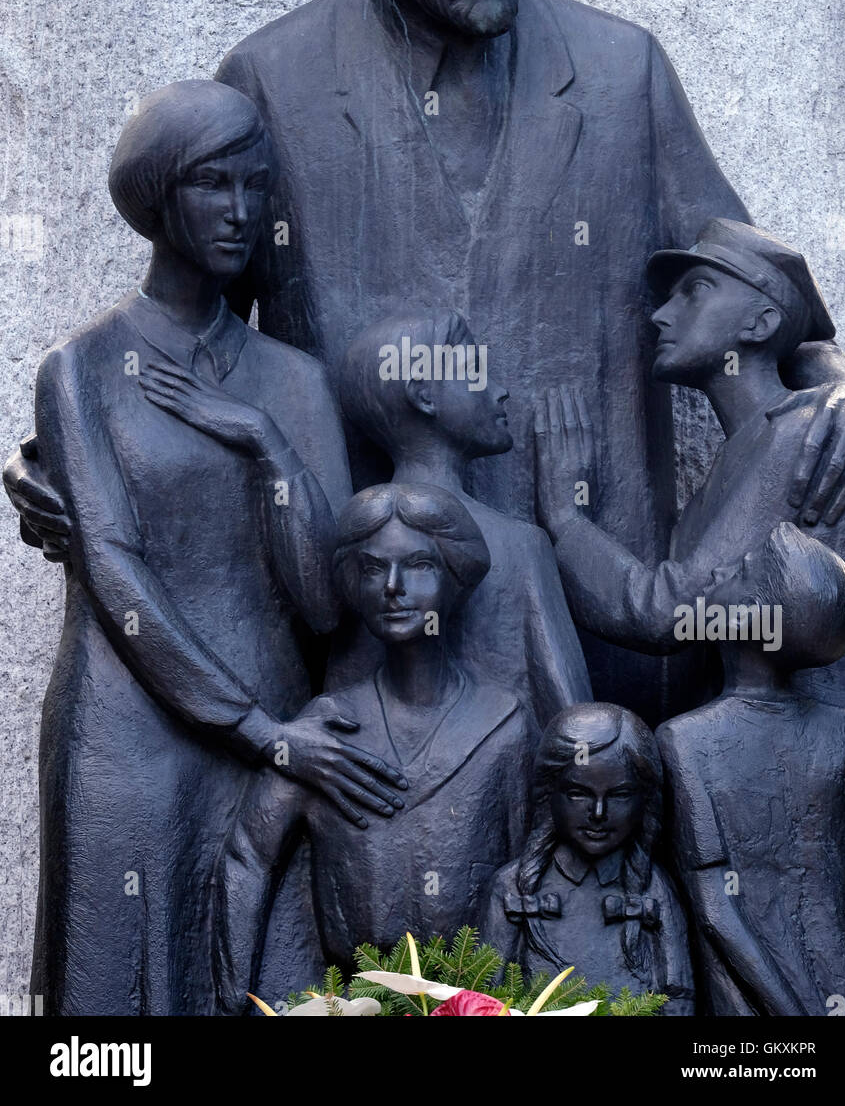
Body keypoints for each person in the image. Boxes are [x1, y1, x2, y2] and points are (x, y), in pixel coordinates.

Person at [7, 0, 845, 725]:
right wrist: (69, 455)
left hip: (609, 642)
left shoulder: (624, 73)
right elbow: (191, 326)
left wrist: (841, 392)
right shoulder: (274, 81)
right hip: (384, 654)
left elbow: (759, 298)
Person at [30, 81, 406, 1015]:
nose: (241, 213)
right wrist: (260, 733)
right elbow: (113, 568)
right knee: (119, 999)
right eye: (212, 187)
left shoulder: (294, 382)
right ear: (160, 198)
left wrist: (263, 443)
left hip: (273, 737)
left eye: (255, 187)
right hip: (130, 734)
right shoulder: (81, 370)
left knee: (266, 981)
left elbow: (322, 604)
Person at [212, 483, 537, 1007]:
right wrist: (233, 1000)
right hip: (353, 997)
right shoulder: (328, 728)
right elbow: (248, 856)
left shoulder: (506, 724)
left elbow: (530, 877)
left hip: (478, 1000)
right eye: (371, 569)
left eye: (418, 566)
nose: (392, 587)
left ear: (455, 577)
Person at [534, 218, 845, 715]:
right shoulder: (740, 460)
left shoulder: (800, 431)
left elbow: (665, 614)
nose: (661, 317)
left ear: (760, 324)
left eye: (695, 291)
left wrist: (565, 519)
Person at [328, 307, 591, 723]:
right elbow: (572, 716)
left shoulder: (360, 542)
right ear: (424, 396)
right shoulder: (522, 545)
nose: (500, 390)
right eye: (475, 370)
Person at [657, 524, 845, 1016]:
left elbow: (715, 909)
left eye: (742, 572)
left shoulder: (686, 741)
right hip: (781, 996)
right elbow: (714, 909)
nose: (721, 571)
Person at [481, 703, 694, 1014]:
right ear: (549, 794)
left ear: (644, 801)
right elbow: (484, 998)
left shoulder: (653, 889)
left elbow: (678, 996)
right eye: (578, 793)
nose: (598, 813)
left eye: (620, 795)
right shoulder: (514, 888)